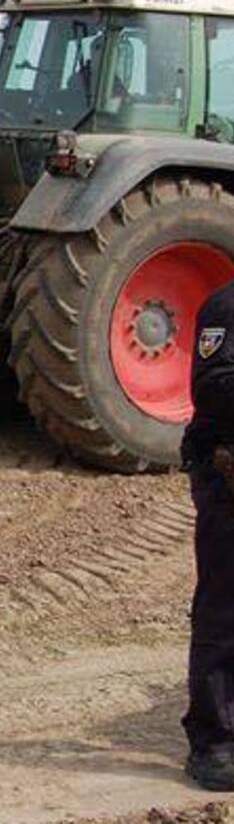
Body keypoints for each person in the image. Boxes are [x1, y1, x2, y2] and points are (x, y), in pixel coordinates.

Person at [183, 279, 234, 790]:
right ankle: (214, 741)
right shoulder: (226, 306)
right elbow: (213, 386)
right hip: (227, 475)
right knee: (225, 612)